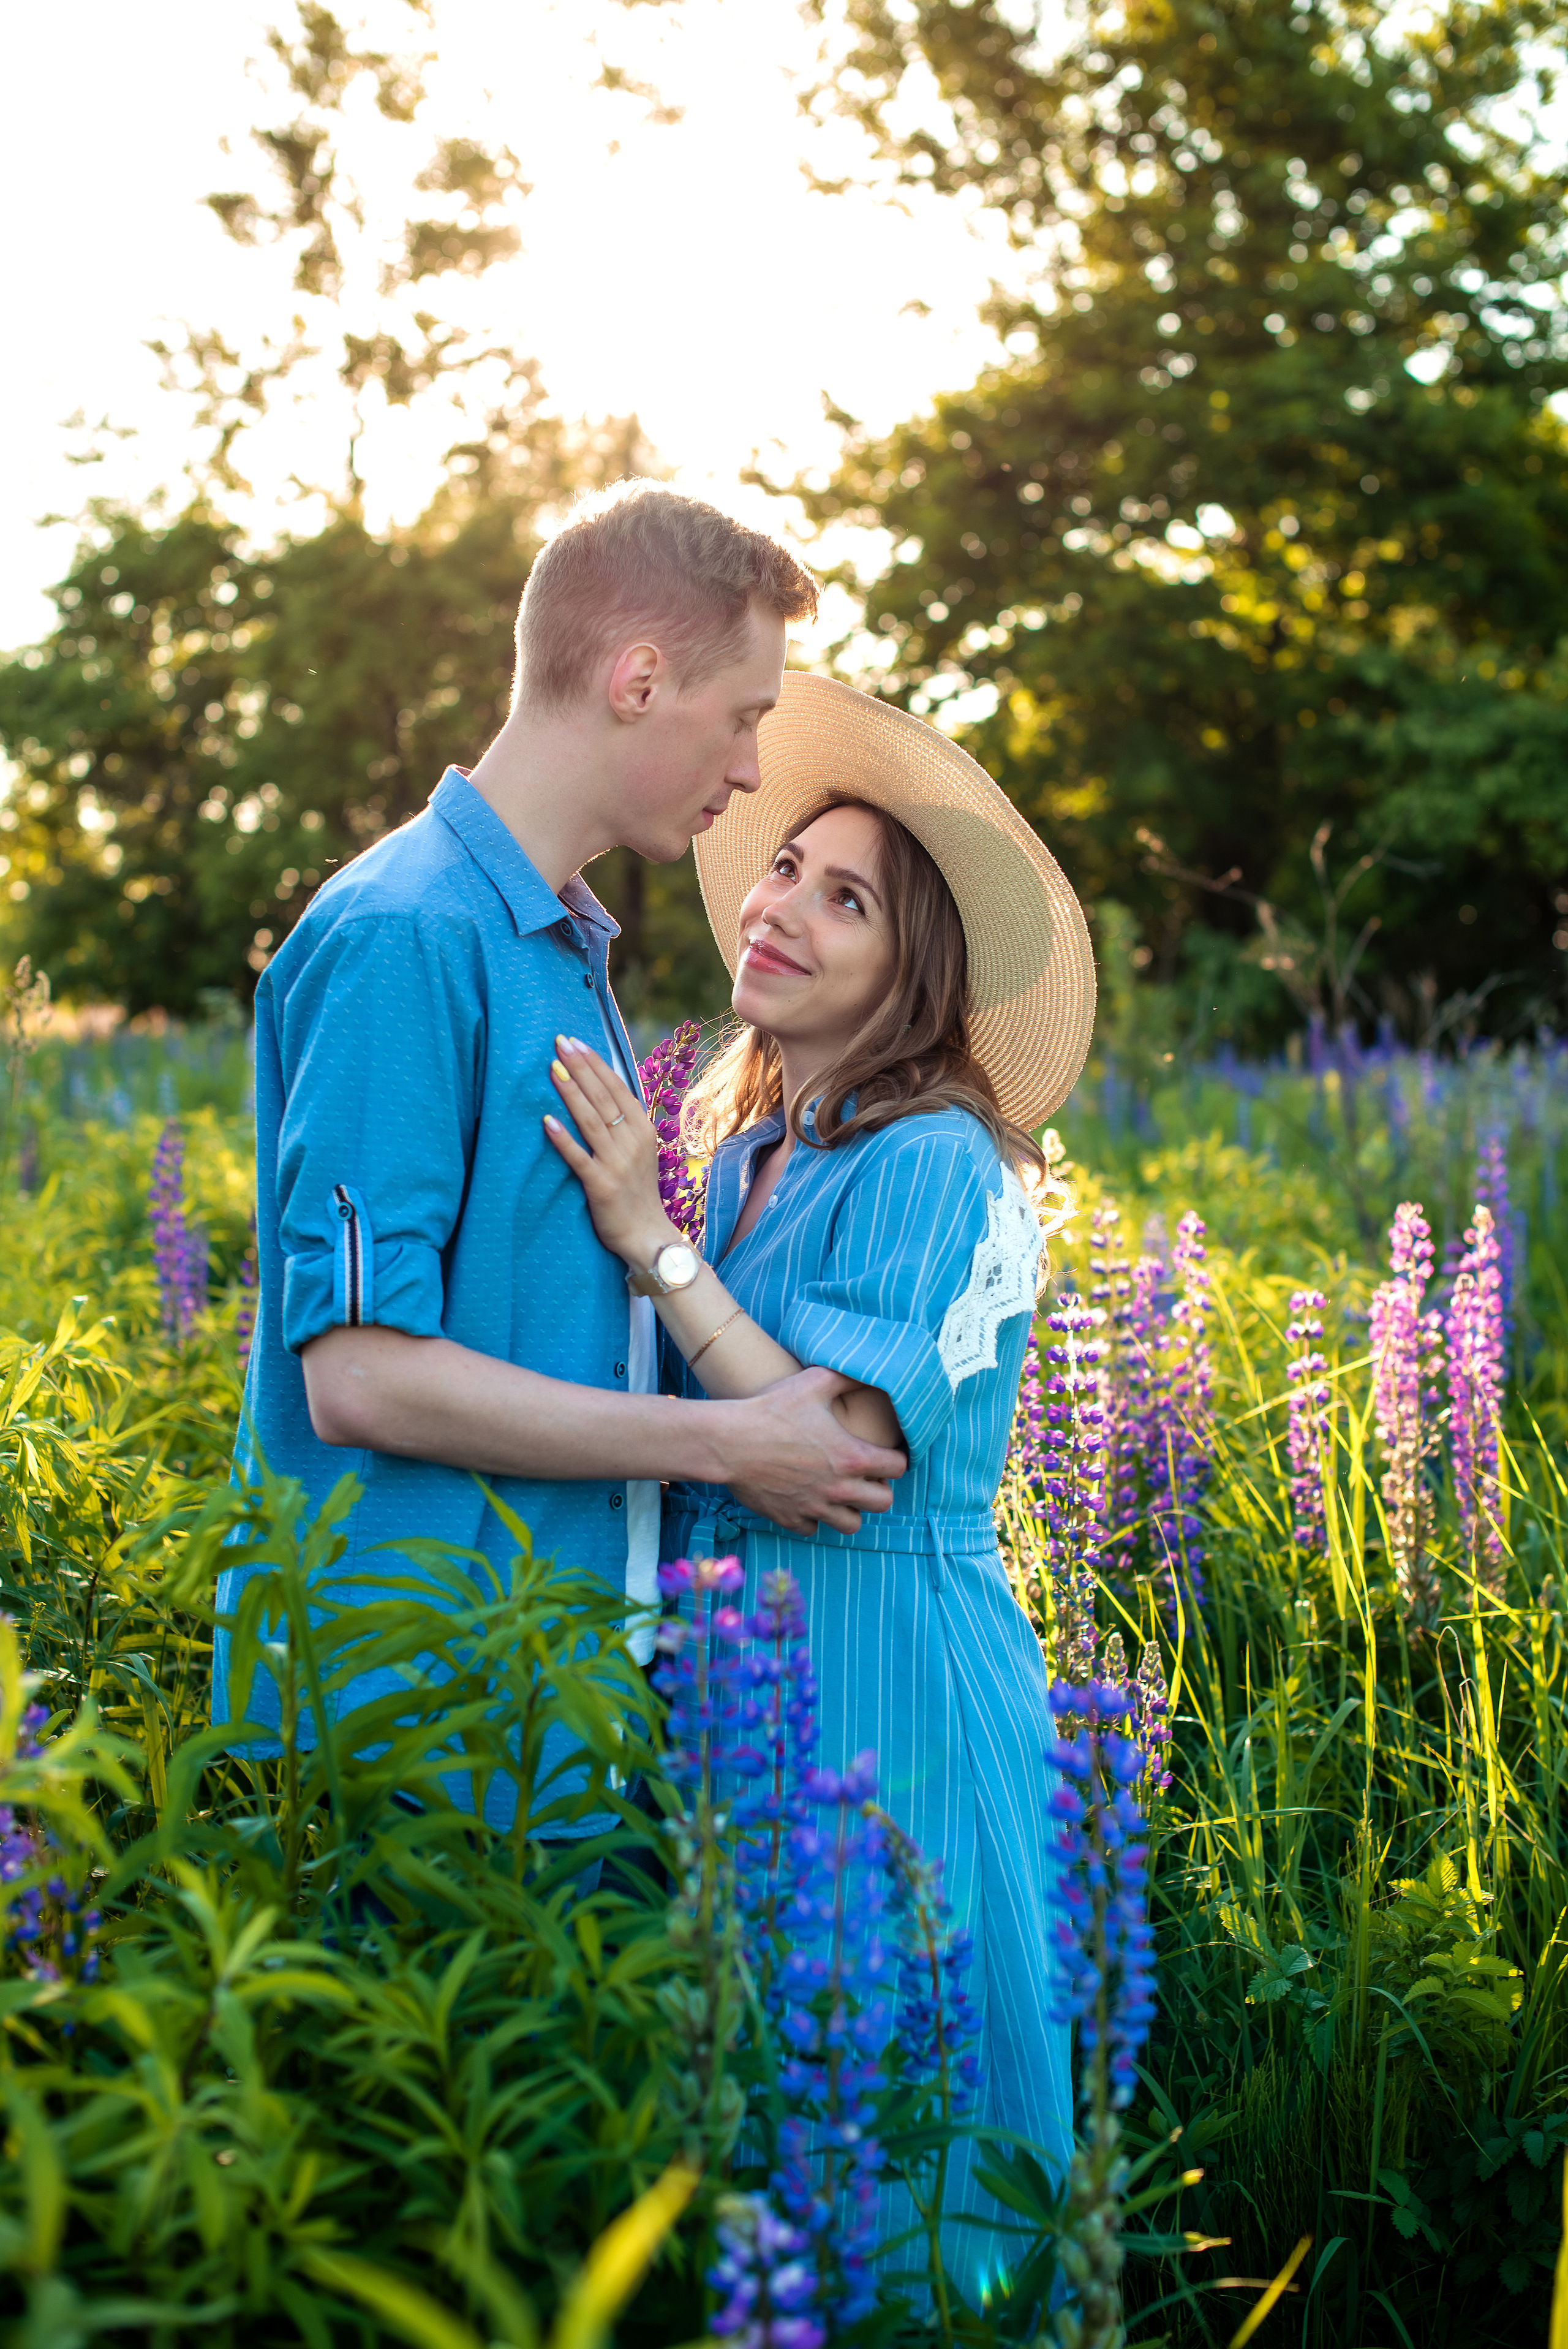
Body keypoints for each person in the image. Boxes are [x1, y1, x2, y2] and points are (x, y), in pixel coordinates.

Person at [214, 487, 907, 1816]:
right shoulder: (406, 934)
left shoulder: (551, 939)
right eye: (745, 715)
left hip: (551, 1694)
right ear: (639, 679)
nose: (754, 769)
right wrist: (721, 1446)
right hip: (417, 1708)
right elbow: (358, 1378)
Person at [543, 670, 1096, 2302]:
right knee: (774, 2109)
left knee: (909, 2130)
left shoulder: (937, 1158)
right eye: (789, 866)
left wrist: (649, 1241)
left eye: (845, 899)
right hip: (743, 1698)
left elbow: (828, 1449)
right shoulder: (761, 1153)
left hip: (894, 1692)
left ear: (906, 967)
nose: (783, 906)